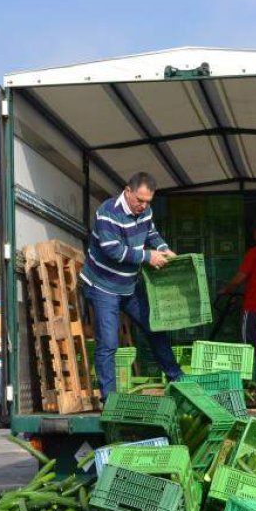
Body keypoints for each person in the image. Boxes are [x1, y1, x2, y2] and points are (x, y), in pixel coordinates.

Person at [80, 172, 183, 402]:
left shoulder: (145, 211)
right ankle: (110, 399)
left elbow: (151, 233)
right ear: (127, 191)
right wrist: (148, 257)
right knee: (108, 342)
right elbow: (113, 250)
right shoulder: (107, 213)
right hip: (103, 286)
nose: (143, 206)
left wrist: (163, 248)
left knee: (154, 328)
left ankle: (177, 378)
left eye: (148, 201)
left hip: (128, 285)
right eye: (140, 200)